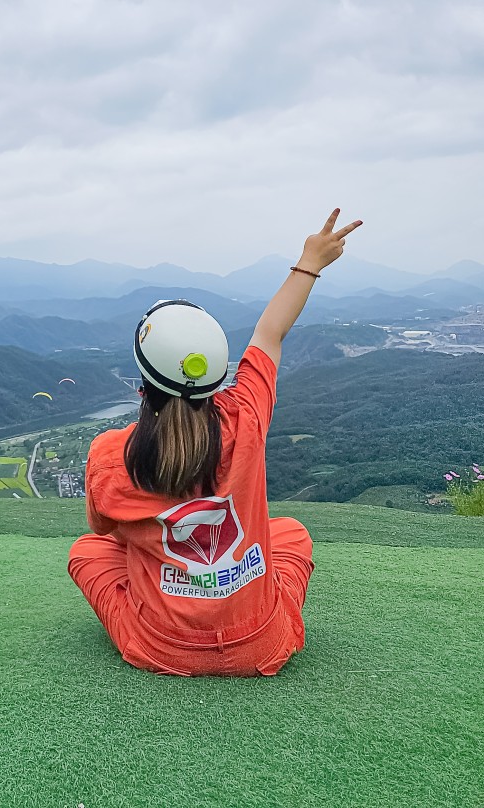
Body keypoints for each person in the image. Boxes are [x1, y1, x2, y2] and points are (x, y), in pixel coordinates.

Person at [68, 207, 363, 677]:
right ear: (218, 374)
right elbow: (271, 332)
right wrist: (310, 261)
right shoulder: (246, 413)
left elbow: (104, 528)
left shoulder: (110, 455)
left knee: (87, 549)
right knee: (290, 533)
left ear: (141, 385)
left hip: (161, 646)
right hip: (261, 641)